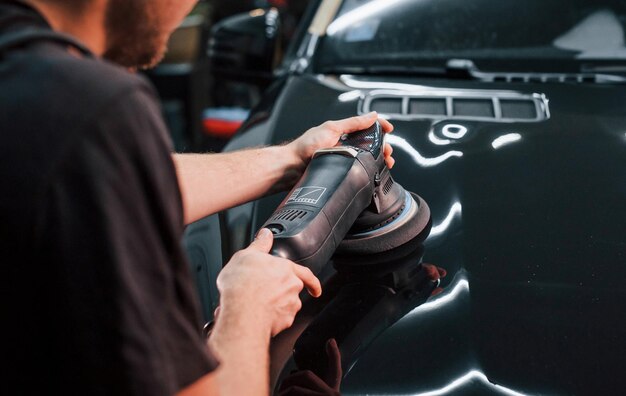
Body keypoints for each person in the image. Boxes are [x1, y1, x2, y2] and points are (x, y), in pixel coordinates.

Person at [0, 0, 394, 395]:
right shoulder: (92, 109)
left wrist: (288, 160)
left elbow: (94, 171)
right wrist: (247, 309)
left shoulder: (27, 81)